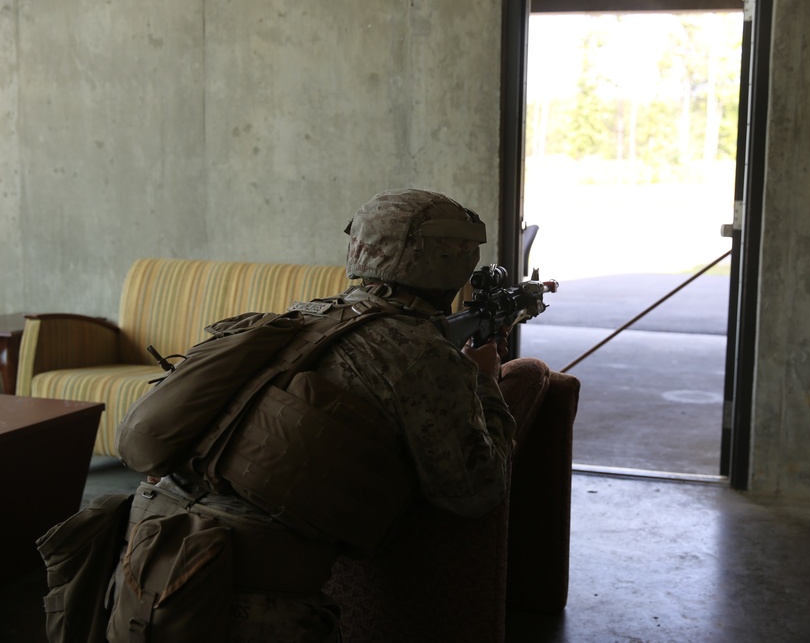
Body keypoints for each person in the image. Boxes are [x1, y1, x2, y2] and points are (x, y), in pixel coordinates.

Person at [110, 188, 547, 643]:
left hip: (140, 564)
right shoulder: (423, 356)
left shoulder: (301, 316)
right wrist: (484, 381)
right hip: (240, 607)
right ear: (452, 259)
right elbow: (474, 492)